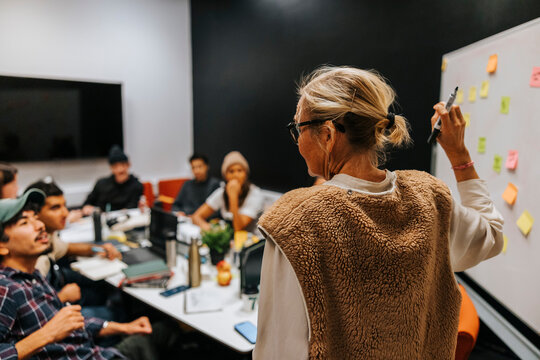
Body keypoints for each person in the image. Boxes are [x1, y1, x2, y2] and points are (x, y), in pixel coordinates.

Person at [254, 66, 504, 359]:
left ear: (327, 134)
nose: (297, 140)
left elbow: (277, 351)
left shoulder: (294, 222)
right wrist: (459, 153)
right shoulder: (430, 197)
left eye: (298, 128)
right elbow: (493, 235)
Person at [0, 189, 180, 360]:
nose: (39, 225)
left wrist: (122, 327)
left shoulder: (33, 276)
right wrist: (46, 335)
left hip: (95, 352)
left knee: (165, 331)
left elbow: (71, 323)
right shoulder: (5, 290)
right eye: (24, 222)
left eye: (35, 218)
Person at [25, 179, 121, 319]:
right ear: (35, 214)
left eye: (64, 206)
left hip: (55, 286)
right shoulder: (34, 255)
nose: (65, 213)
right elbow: (29, 310)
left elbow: (68, 248)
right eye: (55, 208)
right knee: (115, 314)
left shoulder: (49, 236)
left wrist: (99, 249)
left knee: (100, 289)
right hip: (50, 312)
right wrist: (61, 297)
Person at [192, 151, 264, 233]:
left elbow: (238, 229)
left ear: (246, 174)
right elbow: (196, 216)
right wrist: (211, 231)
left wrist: (233, 196)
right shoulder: (222, 192)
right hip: (229, 239)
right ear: (225, 176)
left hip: (252, 242)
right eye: (231, 171)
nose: (236, 175)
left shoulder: (255, 194)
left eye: (240, 170)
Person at [82, 145, 143, 215]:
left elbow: (133, 207)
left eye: (123, 165)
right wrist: (87, 208)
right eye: (116, 166)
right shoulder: (101, 184)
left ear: (128, 165)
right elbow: (87, 204)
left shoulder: (136, 185)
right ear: (111, 168)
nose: (120, 169)